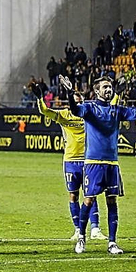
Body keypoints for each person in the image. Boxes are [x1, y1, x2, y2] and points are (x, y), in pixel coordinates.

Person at [53, 69, 136, 254]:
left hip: (112, 163)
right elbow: (75, 110)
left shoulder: (117, 110)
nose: (108, 89)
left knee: (112, 202)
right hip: (93, 163)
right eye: (104, 87)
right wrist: (71, 94)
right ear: (96, 91)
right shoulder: (89, 108)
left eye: (110, 87)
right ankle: (81, 237)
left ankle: (112, 242)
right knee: (88, 200)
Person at [37, 86, 99, 241]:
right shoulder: (64, 115)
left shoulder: (89, 114)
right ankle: (78, 229)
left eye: (80, 95)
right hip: (70, 160)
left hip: (88, 159)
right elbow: (46, 111)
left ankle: (95, 229)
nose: (78, 97)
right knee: (73, 195)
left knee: (91, 194)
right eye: (75, 95)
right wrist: (40, 98)